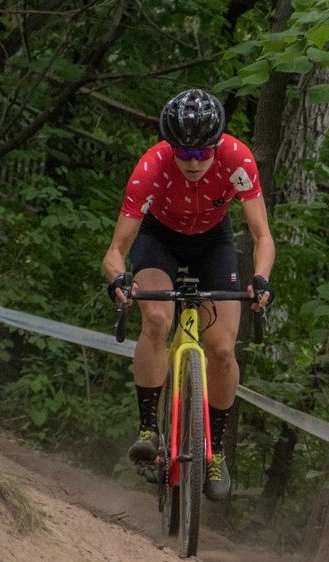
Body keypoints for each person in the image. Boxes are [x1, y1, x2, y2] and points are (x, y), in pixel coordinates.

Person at [102, 89, 275, 501]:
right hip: (159, 240)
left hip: (212, 244)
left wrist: (261, 278)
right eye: (184, 153)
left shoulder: (238, 160)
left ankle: (214, 451)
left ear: (217, 145)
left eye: (202, 154)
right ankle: (148, 428)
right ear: (170, 147)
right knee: (158, 319)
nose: (193, 162)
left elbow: (261, 234)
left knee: (222, 351)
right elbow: (115, 251)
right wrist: (119, 280)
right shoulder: (151, 167)